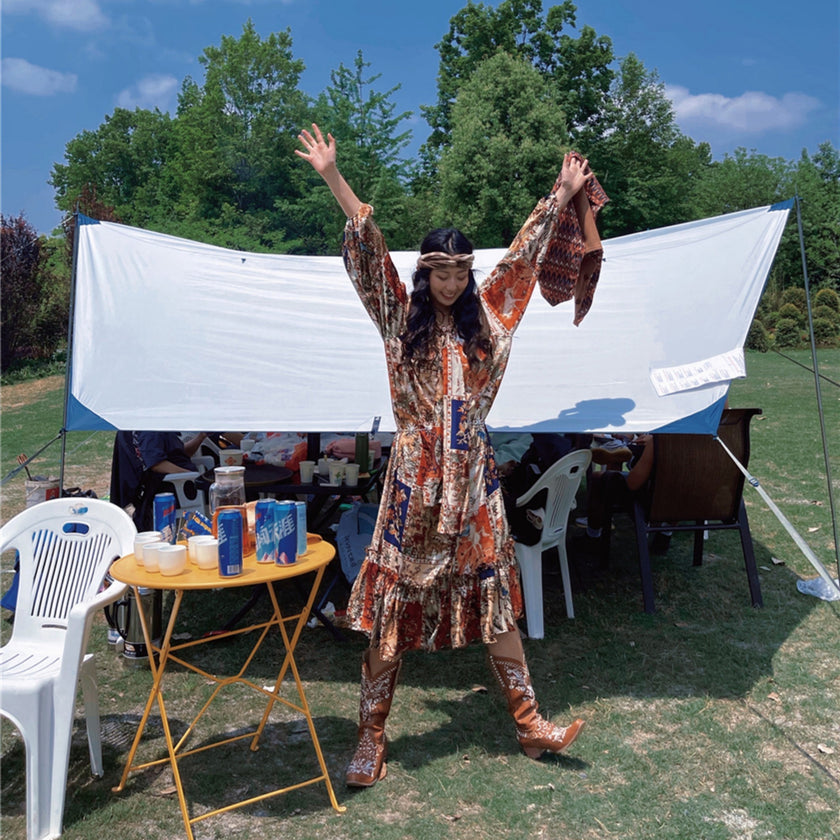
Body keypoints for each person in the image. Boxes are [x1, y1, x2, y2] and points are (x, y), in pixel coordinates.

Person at [296, 123, 607, 787]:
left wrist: (563, 192)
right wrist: (332, 176)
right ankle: (370, 738)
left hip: (473, 485)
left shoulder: (489, 316)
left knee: (495, 603)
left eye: (460, 271)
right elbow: (368, 248)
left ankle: (530, 724)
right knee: (389, 617)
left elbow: (523, 260)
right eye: (440, 272)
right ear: (424, 273)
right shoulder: (395, 316)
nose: (451, 281)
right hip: (413, 484)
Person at [110, 431, 209, 529]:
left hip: (182, 481)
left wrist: (201, 437)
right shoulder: (150, 429)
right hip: (177, 489)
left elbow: (179, 454)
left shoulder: (159, 426)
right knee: (220, 491)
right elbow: (156, 464)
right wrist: (193, 476)